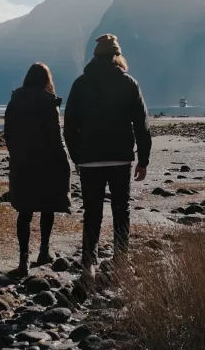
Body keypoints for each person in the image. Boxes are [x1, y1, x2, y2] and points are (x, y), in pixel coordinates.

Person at [63, 34, 151, 277]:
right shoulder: (129, 83)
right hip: (121, 157)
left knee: (92, 212)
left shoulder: (80, 84)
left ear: (95, 56)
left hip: (90, 158)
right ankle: (121, 260)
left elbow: (69, 124)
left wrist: (76, 157)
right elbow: (141, 125)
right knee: (121, 211)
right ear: (116, 56)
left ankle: (89, 264)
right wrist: (143, 160)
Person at [4, 63, 71, 276]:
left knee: (24, 211)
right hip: (47, 162)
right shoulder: (49, 103)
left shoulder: (14, 102)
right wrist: (65, 161)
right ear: (46, 81)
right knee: (47, 206)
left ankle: (23, 262)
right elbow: (56, 136)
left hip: (22, 162)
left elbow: (8, 133)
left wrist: (15, 154)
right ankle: (44, 251)